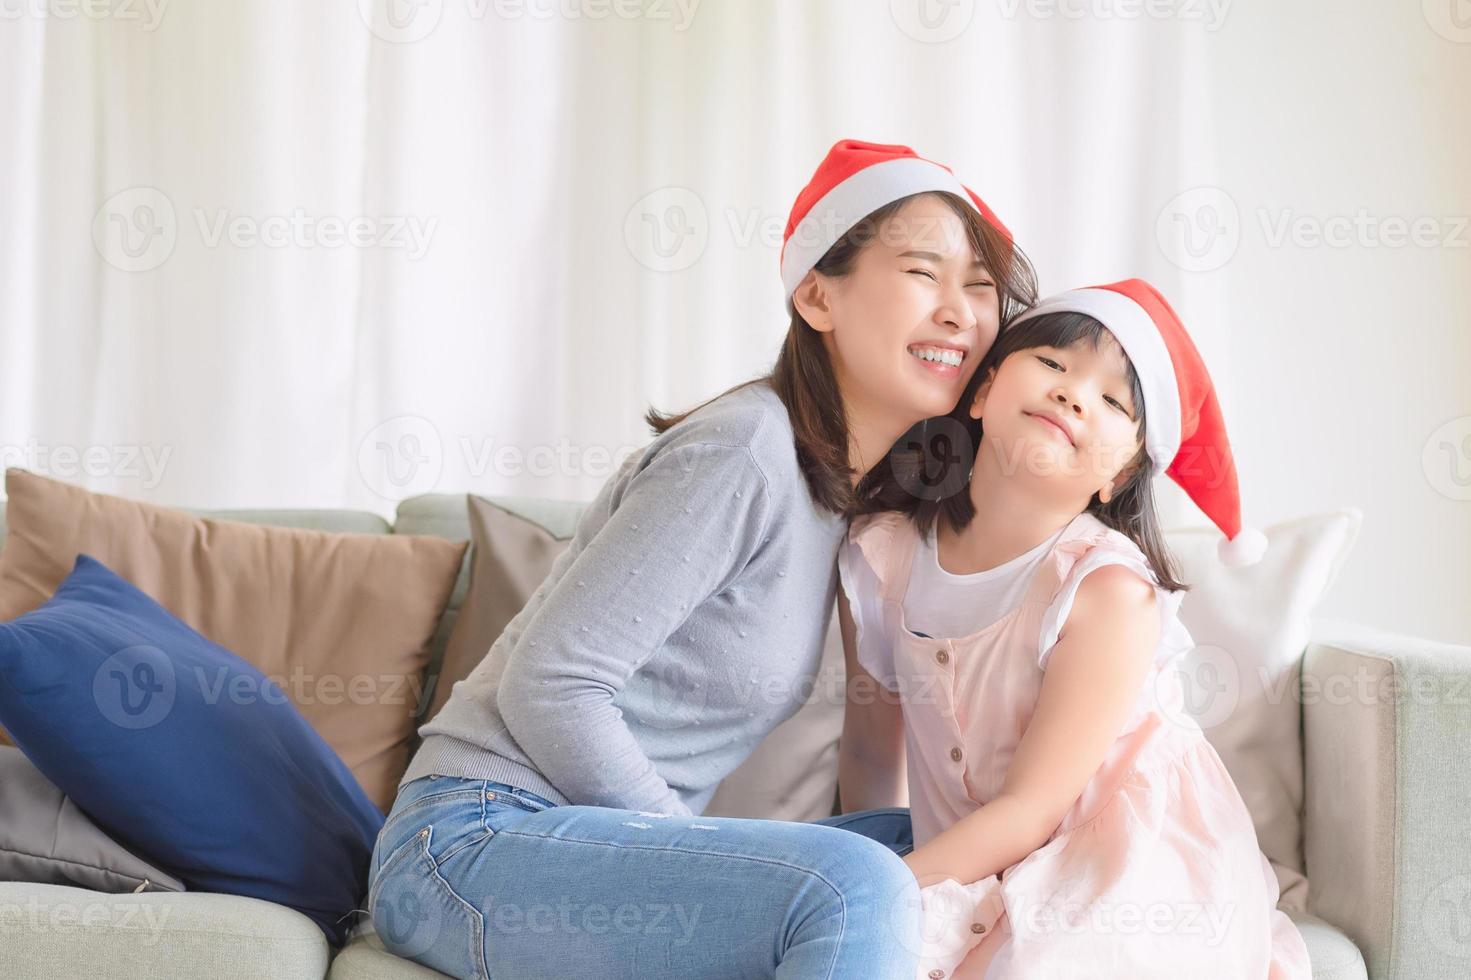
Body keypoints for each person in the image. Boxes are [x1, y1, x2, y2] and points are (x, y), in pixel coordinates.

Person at [366, 139, 1038, 979]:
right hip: (472, 844)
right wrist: (700, 856)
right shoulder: (743, 450)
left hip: (589, 844)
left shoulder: (856, 502)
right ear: (817, 295)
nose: (958, 312)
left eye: (979, 287)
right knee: (853, 882)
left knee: (958, 842)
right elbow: (554, 685)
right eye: (922, 272)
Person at [837, 279, 1313, 978]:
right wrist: (871, 881)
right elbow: (874, 755)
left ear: (1119, 475)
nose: (1071, 394)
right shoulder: (884, 554)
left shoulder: (1105, 592)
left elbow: (1031, 811)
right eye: (1053, 364)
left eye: (1113, 400)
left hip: (1120, 859)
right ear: (981, 391)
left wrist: (878, 895)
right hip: (974, 850)